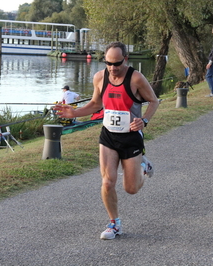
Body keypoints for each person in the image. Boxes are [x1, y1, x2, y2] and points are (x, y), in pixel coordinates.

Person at [54, 41, 159, 240]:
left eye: (116, 63)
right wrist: (74, 112)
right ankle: (114, 224)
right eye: (108, 63)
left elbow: (154, 101)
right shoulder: (100, 77)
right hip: (109, 135)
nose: (112, 68)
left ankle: (143, 168)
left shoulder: (136, 78)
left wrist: (144, 120)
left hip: (130, 137)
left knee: (131, 188)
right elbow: (95, 104)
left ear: (125, 59)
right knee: (108, 182)